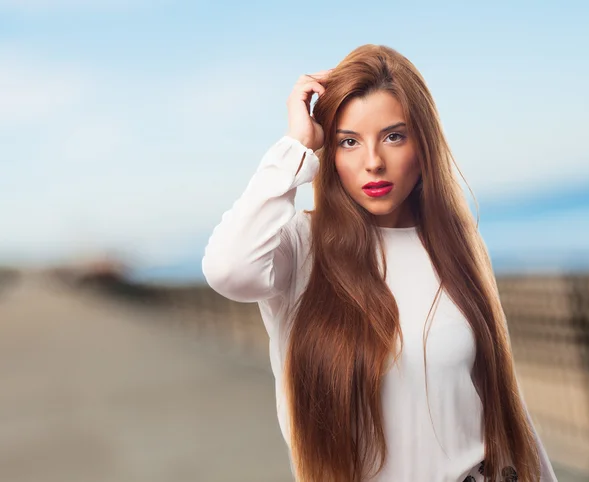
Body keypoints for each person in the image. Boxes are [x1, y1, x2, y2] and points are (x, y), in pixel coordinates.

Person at [202, 44, 557, 482]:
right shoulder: (299, 248)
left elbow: (506, 404)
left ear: (423, 143)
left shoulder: (459, 245)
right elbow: (227, 269)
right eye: (348, 142)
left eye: (393, 136)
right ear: (328, 152)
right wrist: (296, 145)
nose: (373, 162)